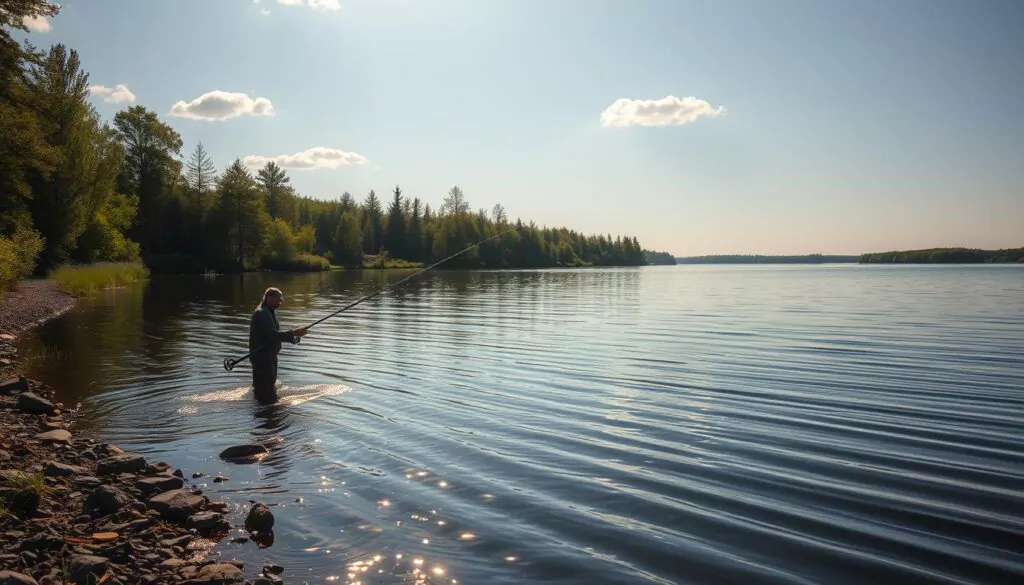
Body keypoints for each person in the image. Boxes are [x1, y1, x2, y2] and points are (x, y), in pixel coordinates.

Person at [249, 287, 308, 404]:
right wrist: (293, 333)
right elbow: (272, 336)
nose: (281, 302)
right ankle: (266, 408)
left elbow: (273, 336)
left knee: (267, 385)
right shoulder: (262, 313)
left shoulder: (268, 311)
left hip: (268, 355)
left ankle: (264, 408)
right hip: (262, 357)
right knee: (265, 386)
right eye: (278, 299)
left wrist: (295, 337)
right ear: (268, 298)